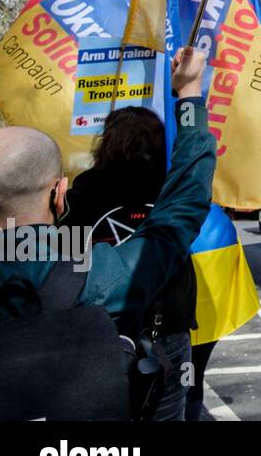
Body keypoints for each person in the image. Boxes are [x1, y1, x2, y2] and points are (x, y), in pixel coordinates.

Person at [0, 47, 214, 420]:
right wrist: (189, 92)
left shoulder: (86, 198)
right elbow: (184, 204)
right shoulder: (95, 280)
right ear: (59, 195)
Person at [64, 106, 198, 420]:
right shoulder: (172, 189)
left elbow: (65, 255)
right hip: (169, 327)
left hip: (100, 324)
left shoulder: (84, 192)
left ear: (106, 141)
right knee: (168, 410)